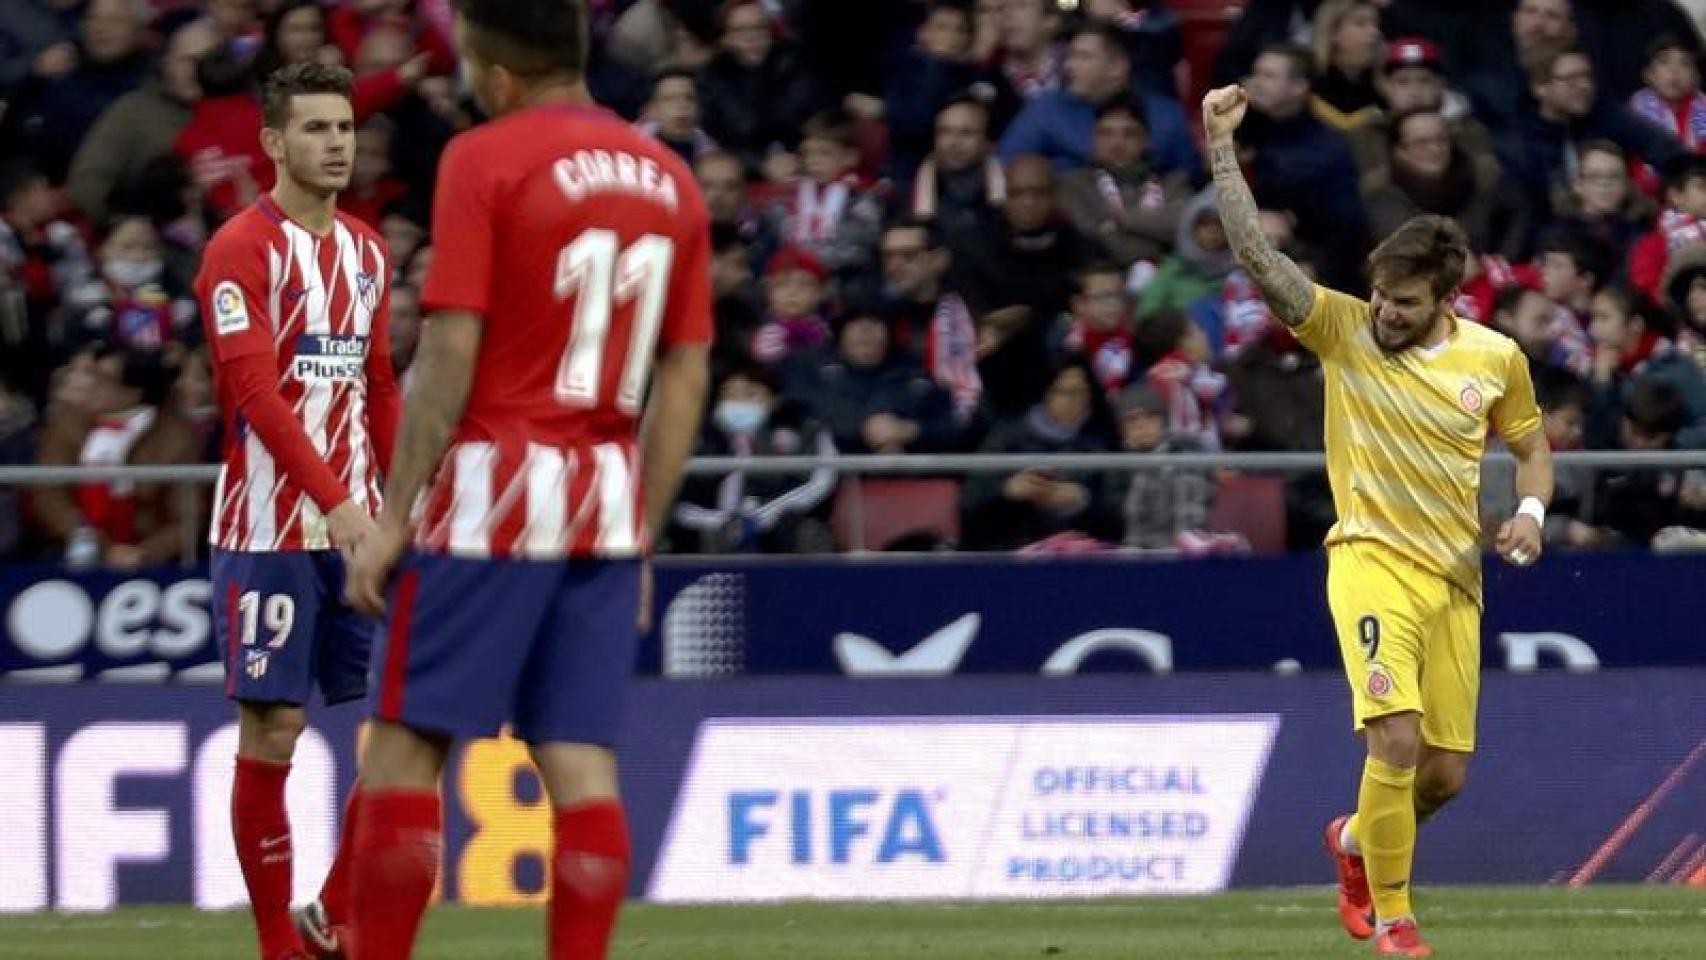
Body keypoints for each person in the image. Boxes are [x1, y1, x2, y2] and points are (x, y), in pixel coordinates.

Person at [341, 0, 712, 956]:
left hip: (489, 498)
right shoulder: (670, 177)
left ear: (494, 72)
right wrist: (641, 534)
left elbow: (451, 347)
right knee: (582, 768)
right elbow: (684, 373)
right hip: (602, 502)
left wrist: (391, 514)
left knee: (400, 753)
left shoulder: (486, 156)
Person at [1204, 84, 1555, 957]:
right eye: (1379, 296)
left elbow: (1532, 448)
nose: (1385, 313)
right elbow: (1256, 254)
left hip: (1456, 578)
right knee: (1392, 737)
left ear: (1445, 296)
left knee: (1440, 778)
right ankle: (1396, 919)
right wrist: (1220, 145)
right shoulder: (1343, 331)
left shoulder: (1495, 358)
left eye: (1403, 302)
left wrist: (1533, 512)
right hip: (1368, 560)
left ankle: (1356, 842)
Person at [193, 62, 400, 960]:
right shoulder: (240, 248)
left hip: (360, 527)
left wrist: (399, 506)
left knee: (400, 730)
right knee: (274, 729)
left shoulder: (366, 250)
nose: (336, 144)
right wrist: (338, 503)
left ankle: (331, 910)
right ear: (274, 143)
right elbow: (255, 395)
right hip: (270, 529)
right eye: (316, 129)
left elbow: (378, 387)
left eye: (345, 128)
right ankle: (279, 943)